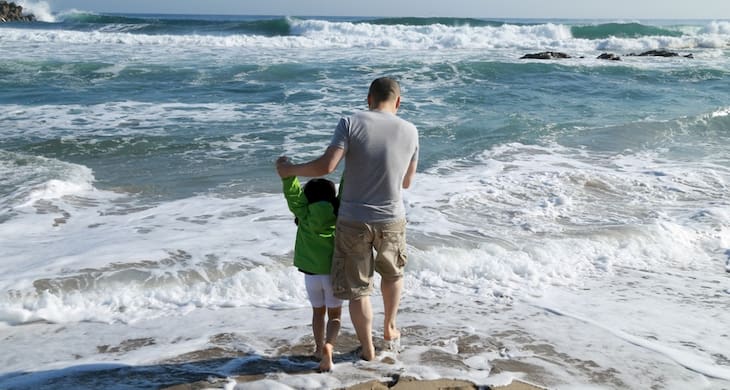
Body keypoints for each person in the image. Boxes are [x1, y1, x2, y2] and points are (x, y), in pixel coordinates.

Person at [276, 77, 419, 361]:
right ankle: (390, 328)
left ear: (369, 99)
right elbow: (406, 182)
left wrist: (289, 170)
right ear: (398, 102)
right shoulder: (411, 131)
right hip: (391, 216)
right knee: (392, 274)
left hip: (353, 219)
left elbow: (326, 166)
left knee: (358, 289)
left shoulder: (350, 122)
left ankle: (367, 348)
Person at [276, 169, 342, 372]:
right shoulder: (338, 211)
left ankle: (318, 348)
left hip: (311, 276)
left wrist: (288, 175)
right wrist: (350, 168)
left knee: (317, 313)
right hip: (333, 274)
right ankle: (329, 346)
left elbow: (293, 194)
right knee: (335, 316)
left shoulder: (303, 213)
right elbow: (348, 189)